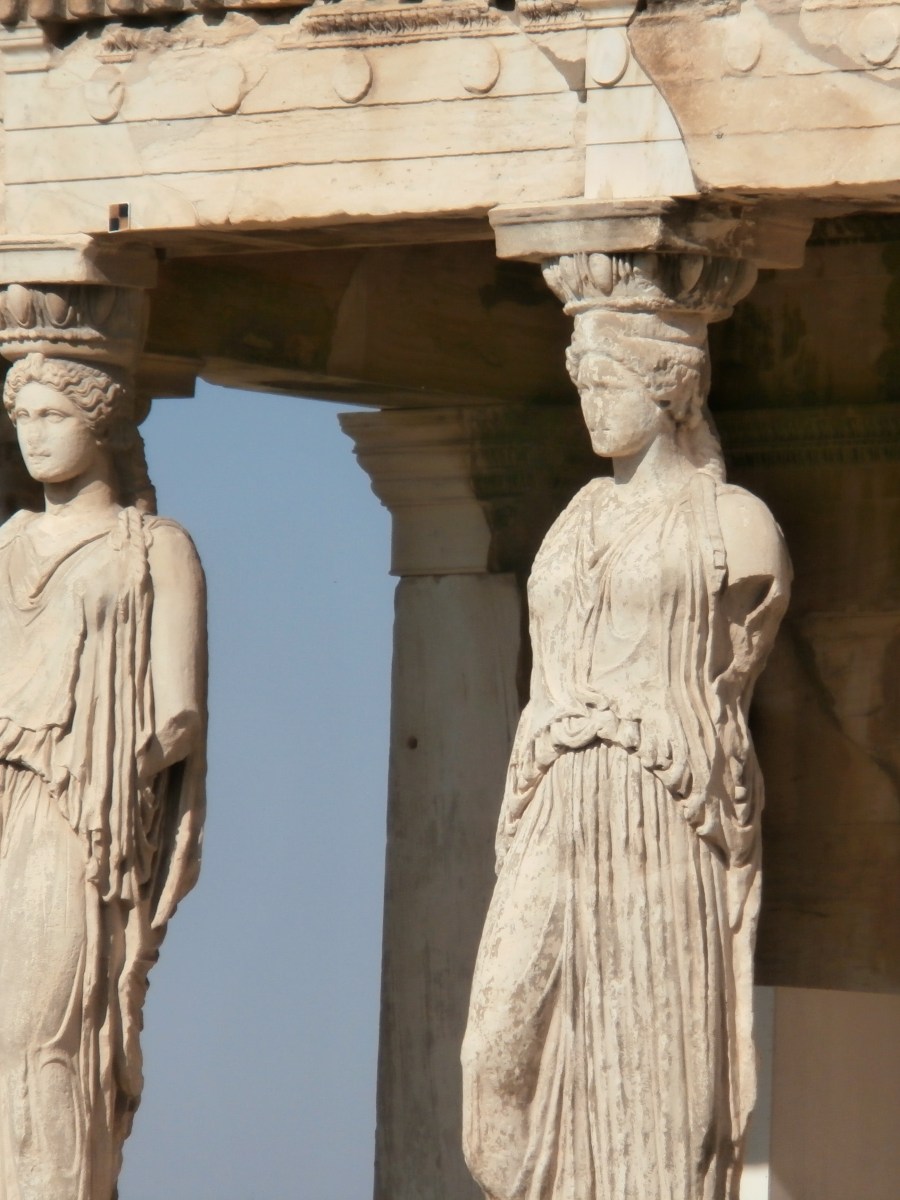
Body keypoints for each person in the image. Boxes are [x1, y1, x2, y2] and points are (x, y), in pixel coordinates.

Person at [461, 309, 790, 1200]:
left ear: (670, 385)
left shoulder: (736, 525)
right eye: (582, 388)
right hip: (554, 799)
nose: (590, 407)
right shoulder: (576, 517)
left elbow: (735, 672)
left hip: (662, 806)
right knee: (494, 1056)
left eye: (606, 384)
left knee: (653, 1073)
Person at [0, 352, 206, 1200]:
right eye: (24, 417)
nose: (33, 435)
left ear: (104, 425)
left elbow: (179, 712)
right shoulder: (5, 543)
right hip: (8, 789)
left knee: (42, 1027)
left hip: (81, 813)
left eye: (54, 416)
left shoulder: (155, 547)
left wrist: (106, 763)